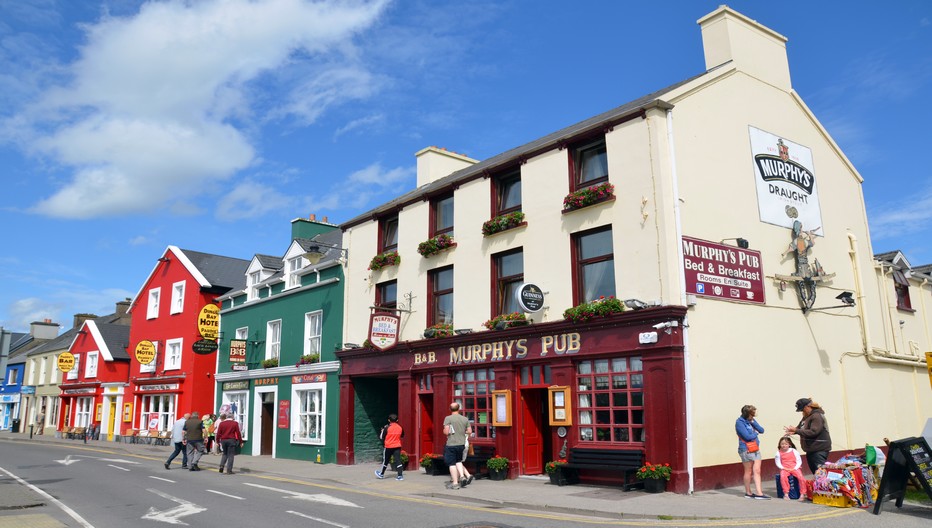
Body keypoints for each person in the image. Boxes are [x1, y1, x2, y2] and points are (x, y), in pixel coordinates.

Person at [783, 398, 832, 474]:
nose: (802, 412)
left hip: (819, 449)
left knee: (821, 474)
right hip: (811, 450)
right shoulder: (806, 417)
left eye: (803, 410)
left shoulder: (816, 416)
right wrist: (793, 430)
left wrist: (796, 431)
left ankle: (824, 485)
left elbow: (813, 431)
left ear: (808, 407)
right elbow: (800, 427)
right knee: (816, 473)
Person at [736, 404, 769, 499]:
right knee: (748, 471)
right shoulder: (739, 422)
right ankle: (748, 492)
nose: (754, 416)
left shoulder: (751, 421)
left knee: (757, 470)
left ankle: (759, 493)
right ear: (747, 414)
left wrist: (753, 422)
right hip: (745, 448)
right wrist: (755, 433)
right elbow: (747, 437)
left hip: (755, 448)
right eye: (752, 414)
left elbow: (762, 430)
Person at [442, 402, 472, 490]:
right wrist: (462, 432)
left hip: (451, 444)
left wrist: (445, 431)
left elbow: (446, 432)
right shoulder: (465, 419)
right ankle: (462, 476)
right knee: (458, 461)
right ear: (459, 409)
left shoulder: (448, 418)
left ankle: (455, 483)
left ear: (450, 409)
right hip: (461, 444)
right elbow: (469, 431)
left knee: (452, 464)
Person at [775, 436, 807, 501]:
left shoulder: (794, 451)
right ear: (780, 445)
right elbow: (778, 463)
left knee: (801, 477)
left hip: (794, 468)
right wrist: (783, 468)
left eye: (786, 444)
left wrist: (794, 468)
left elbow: (799, 461)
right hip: (785, 468)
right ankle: (786, 493)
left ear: (789, 444)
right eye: (782, 444)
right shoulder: (778, 453)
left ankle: (803, 493)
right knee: (783, 477)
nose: (784, 446)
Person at [375, 413, 405, 481]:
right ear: (397, 420)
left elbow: (381, 437)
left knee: (386, 460)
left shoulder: (387, 428)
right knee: (398, 460)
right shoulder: (400, 428)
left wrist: (382, 431)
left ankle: (381, 474)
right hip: (397, 446)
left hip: (388, 446)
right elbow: (402, 436)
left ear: (389, 420)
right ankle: (400, 476)